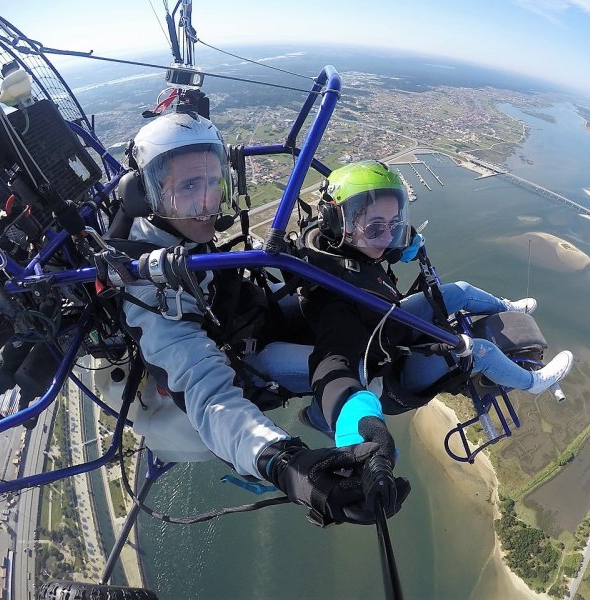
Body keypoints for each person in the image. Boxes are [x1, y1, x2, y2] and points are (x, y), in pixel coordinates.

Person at [122, 112, 408, 525]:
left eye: (213, 182)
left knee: (346, 310)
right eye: (189, 187)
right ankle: (333, 413)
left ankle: (340, 405)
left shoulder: (174, 233)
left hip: (251, 318)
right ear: (145, 196)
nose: (207, 203)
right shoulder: (150, 288)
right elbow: (212, 399)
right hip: (245, 359)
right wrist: (290, 467)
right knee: (367, 362)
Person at [299, 160, 573, 457]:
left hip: (387, 326)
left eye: (394, 224)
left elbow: (373, 244)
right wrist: (355, 423)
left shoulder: (337, 242)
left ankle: (507, 307)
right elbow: (333, 363)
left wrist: (404, 243)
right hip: (389, 372)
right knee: (479, 351)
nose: (388, 237)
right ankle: (533, 383)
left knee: (459, 291)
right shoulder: (335, 297)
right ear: (337, 220)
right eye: (377, 227)